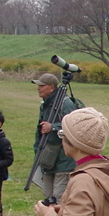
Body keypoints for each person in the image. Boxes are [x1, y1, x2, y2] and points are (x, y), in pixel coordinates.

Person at [33, 73, 79, 201]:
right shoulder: (46, 104)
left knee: (59, 198)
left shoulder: (66, 104)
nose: (38, 88)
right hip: (48, 158)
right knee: (47, 196)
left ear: (51, 87)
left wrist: (53, 127)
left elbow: (74, 126)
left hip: (63, 160)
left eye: (42, 85)